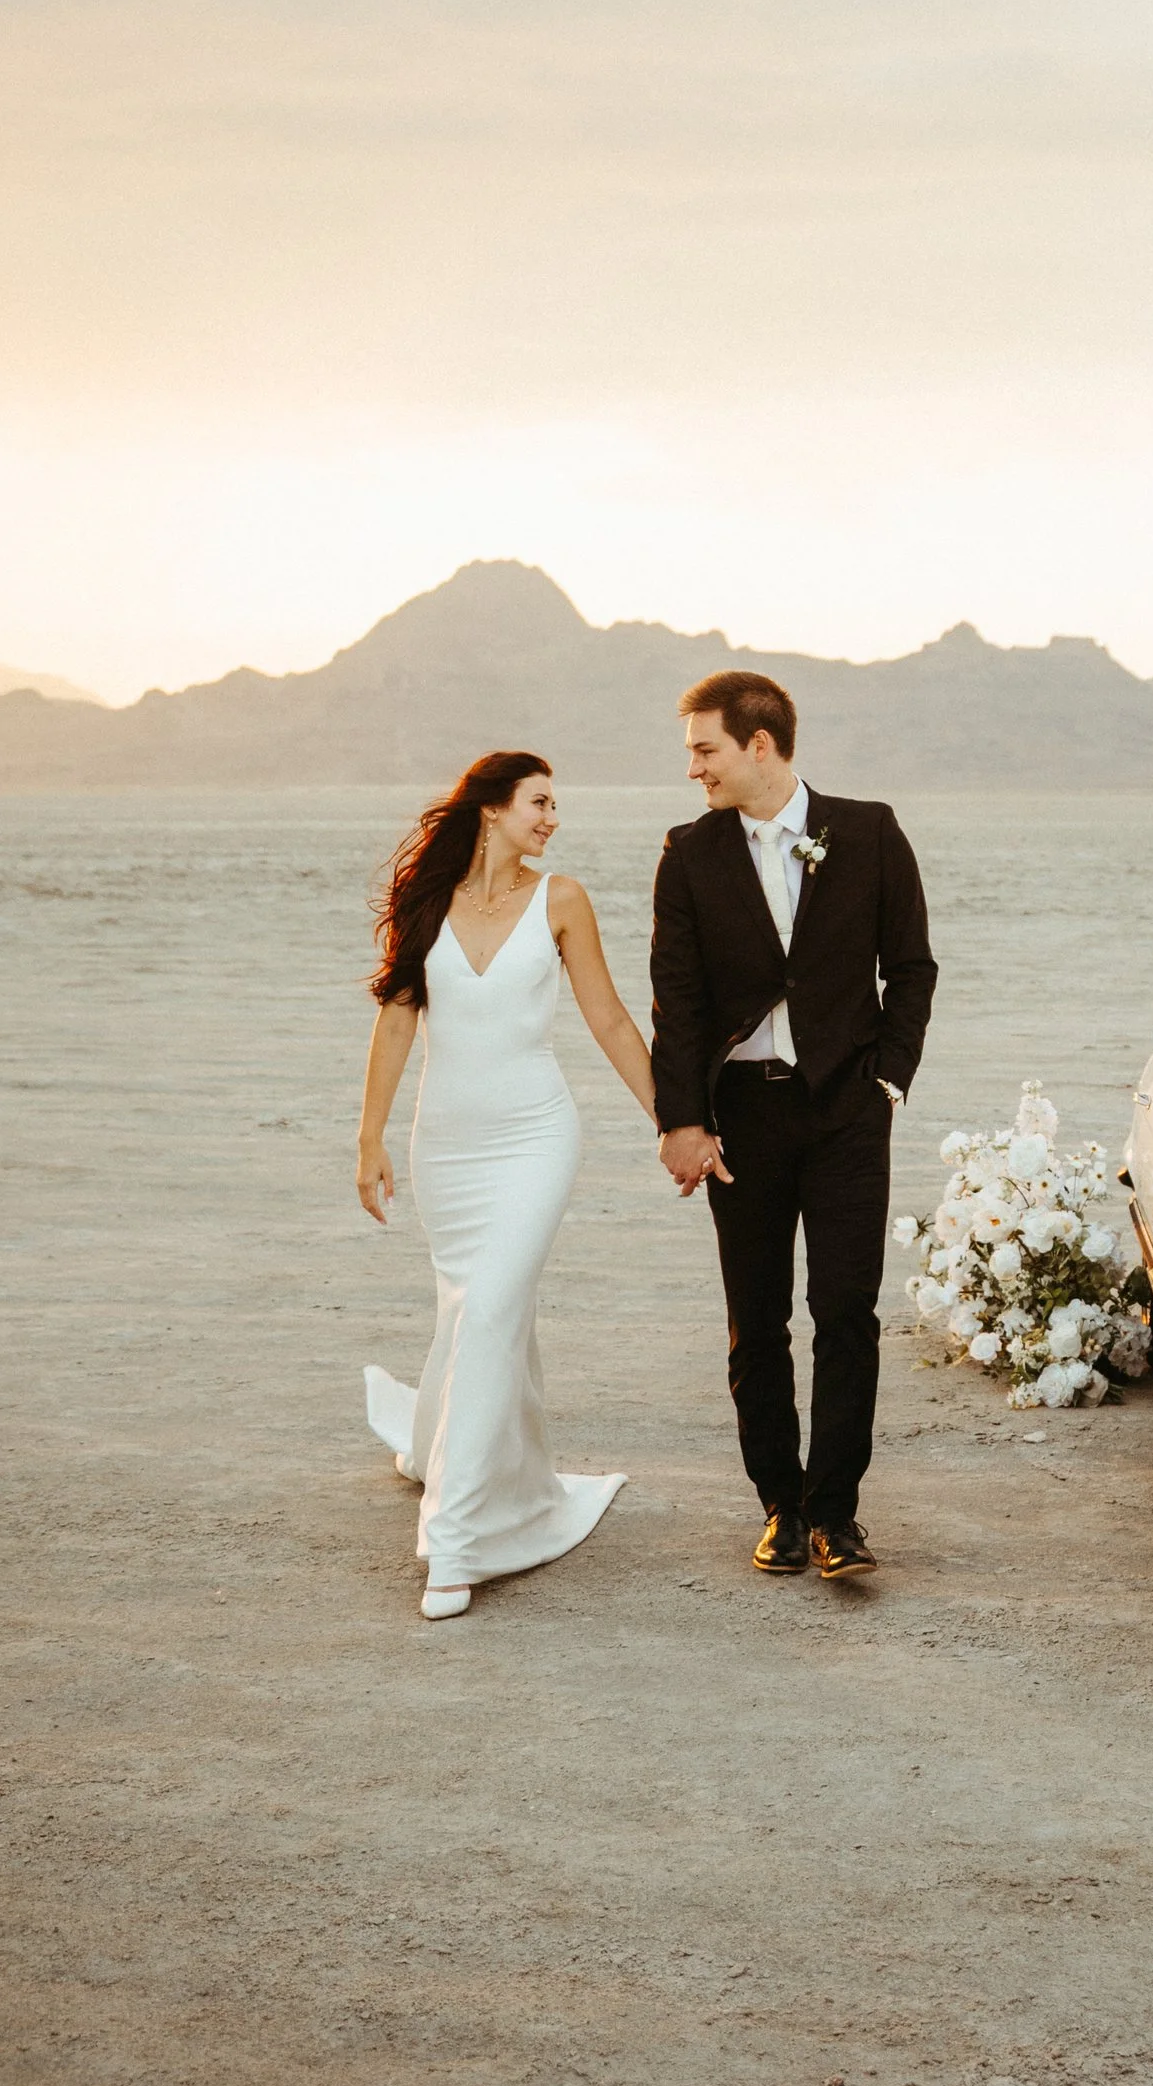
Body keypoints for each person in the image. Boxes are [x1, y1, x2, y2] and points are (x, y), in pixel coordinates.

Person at [355, 748, 656, 1621]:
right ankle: (449, 1448)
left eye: (555, 805)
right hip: (444, 1145)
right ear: (490, 809)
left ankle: (454, 1542)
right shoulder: (427, 908)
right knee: (473, 1310)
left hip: (535, 1136)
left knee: (488, 1308)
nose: (553, 818)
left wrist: (673, 1123)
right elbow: (396, 1020)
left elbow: (606, 1016)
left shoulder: (562, 900)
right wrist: (368, 1136)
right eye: (540, 802)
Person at [651, 671, 937, 1581]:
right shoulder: (688, 854)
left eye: (705, 749)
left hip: (849, 1111)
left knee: (846, 1311)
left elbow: (913, 968)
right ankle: (780, 1505)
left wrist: (889, 1081)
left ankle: (837, 1514)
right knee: (757, 1319)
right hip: (744, 1119)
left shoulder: (869, 831)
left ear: (760, 744)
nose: (693, 766)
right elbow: (679, 1005)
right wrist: (683, 1122)